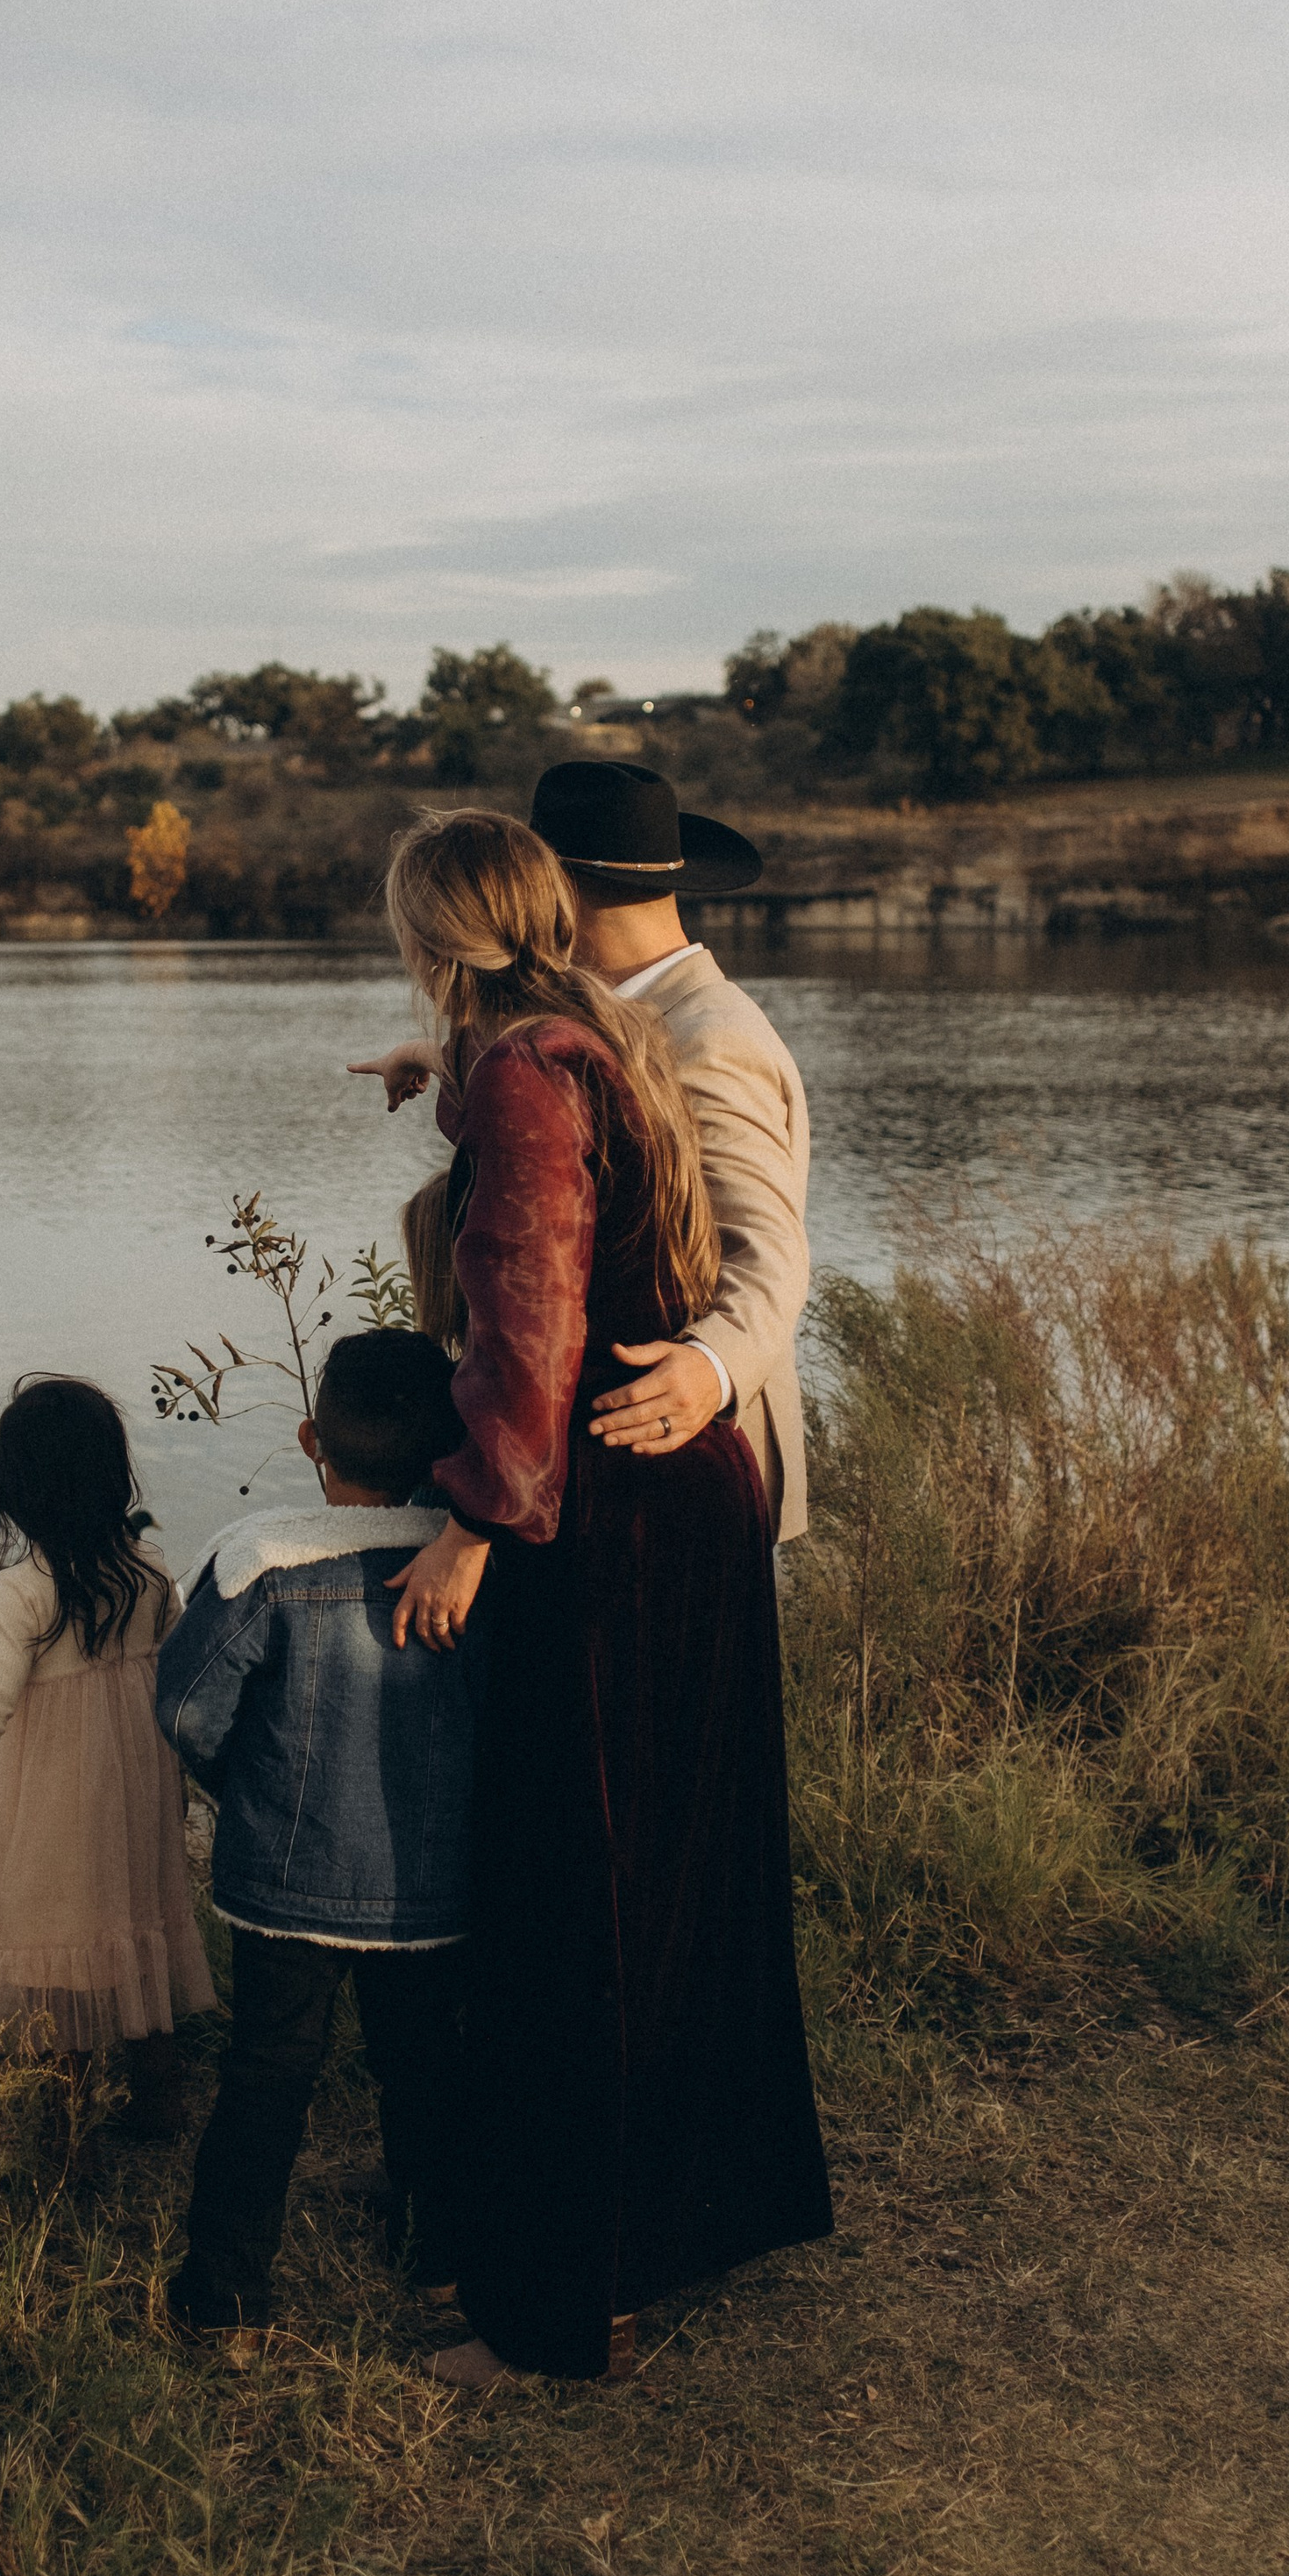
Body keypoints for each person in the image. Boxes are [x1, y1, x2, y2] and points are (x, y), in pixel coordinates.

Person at [361, 810, 831, 2387]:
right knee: (670, 1885)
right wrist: (442, 1092)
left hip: (607, 1501)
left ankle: (568, 2307)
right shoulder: (602, 1029)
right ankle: (666, 2228)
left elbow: (538, 1311)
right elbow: (570, 1165)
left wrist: (480, 1520)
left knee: (578, 1901)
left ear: (434, 931)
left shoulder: (568, 1057)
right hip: (675, 1505)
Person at [353, 758, 810, 1543]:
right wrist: (432, 1055)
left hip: (677, 1445)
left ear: (552, 890)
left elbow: (769, 1248)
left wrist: (712, 1366)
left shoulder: (710, 1037)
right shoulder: (614, 1018)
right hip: (615, 1458)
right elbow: (571, 1111)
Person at [154, 1328, 479, 2358]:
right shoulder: (480, 1566)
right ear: (446, 1454)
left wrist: (239, 1787)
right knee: (426, 2073)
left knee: (265, 2078)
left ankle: (226, 2304)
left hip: (287, 1882)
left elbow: (188, 1708)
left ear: (309, 1440)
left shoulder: (263, 1561)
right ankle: (441, 2267)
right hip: (433, 1891)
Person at [0, 1374, 216, 2145]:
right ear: (110, 1478)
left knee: (59, 1951)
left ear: (15, 1489)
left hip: (56, 1799)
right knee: (135, 1921)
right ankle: (162, 2109)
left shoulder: (20, 1591)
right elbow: (185, 1678)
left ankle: (66, 2138)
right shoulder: (150, 1571)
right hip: (134, 1787)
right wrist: (193, 1780)